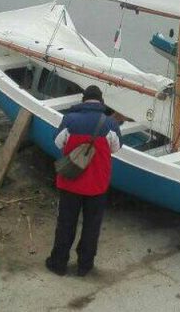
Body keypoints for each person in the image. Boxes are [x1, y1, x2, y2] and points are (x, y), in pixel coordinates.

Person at [46, 85, 121, 277]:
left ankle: (58, 263)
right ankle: (84, 266)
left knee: (66, 224)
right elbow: (116, 148)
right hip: (97, 185)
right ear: (101, 101)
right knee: (91, 226)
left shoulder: (69, 120)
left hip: (71, 182)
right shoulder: (110, 124)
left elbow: (57, 142)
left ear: (83, 99)